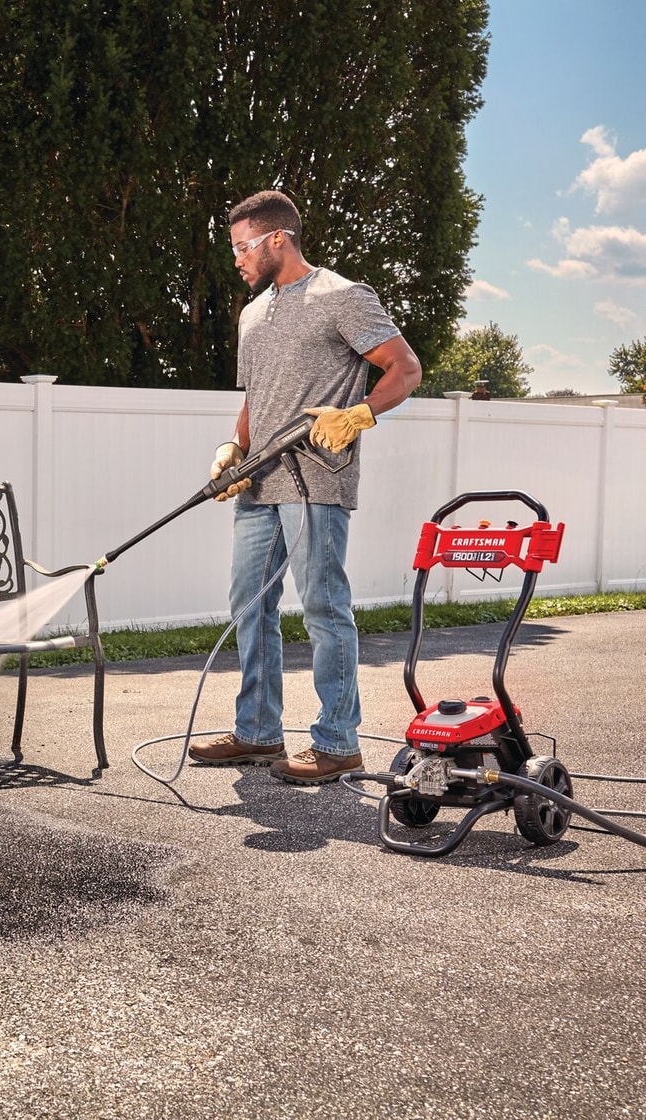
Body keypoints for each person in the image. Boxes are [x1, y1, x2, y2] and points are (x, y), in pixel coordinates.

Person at [187, 190, 422, 784]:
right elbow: (256, 397)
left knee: (322, 607)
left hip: (315, 479)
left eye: (243, 247)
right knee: (249, 606)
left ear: (277, 239)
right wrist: (234, 448)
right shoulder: (252, 314)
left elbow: (406, 368)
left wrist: (360, 414)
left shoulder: (343, 296)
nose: (237, 259)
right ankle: (257, 731)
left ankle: (338, 742)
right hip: (258, 483)